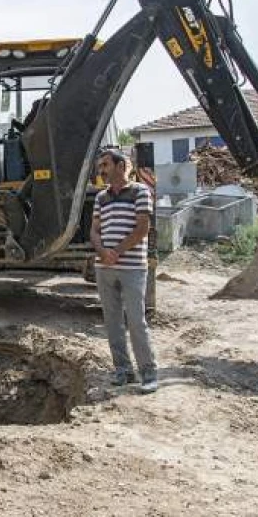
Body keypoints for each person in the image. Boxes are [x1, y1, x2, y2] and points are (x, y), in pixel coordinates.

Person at [89, 148, 158, 394]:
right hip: (104, 267)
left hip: (131, 268)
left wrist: (114, 252)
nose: (102, 171)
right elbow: (94, 231)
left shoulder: (140, 192)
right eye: (100, 167)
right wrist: (102, 253)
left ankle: (148, 373)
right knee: (113, 322)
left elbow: (142, 229)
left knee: (136, 321)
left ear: (121, 166)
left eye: (106, 165)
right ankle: (123, 371)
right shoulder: (100, 198)